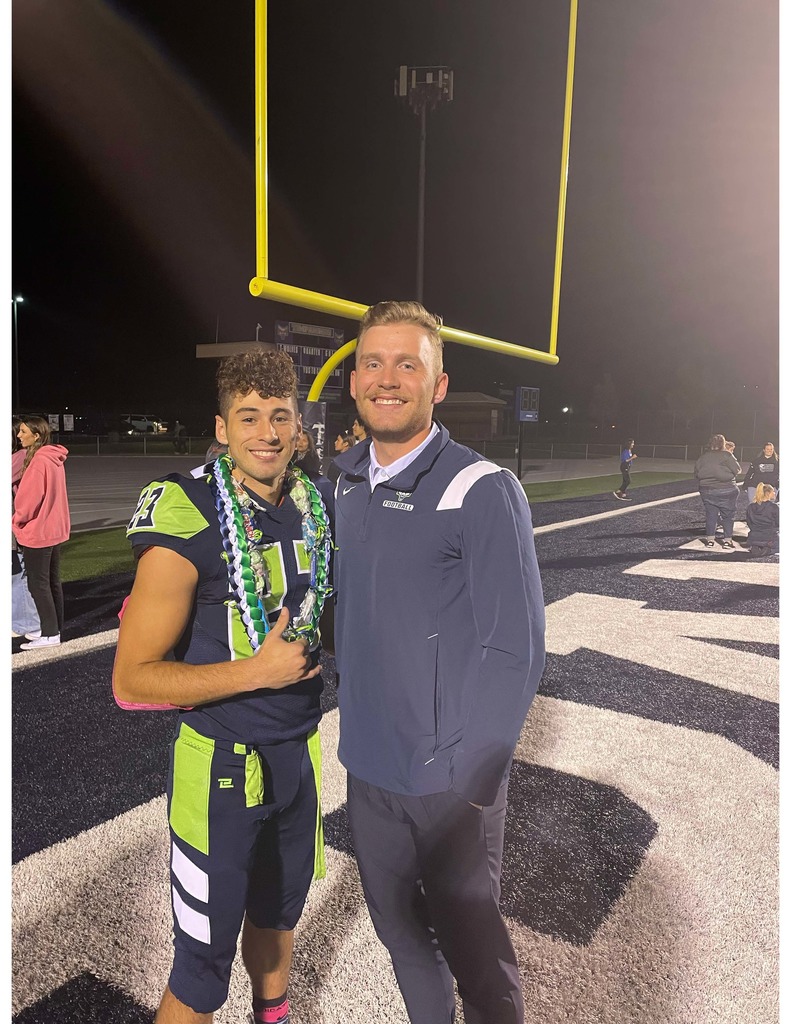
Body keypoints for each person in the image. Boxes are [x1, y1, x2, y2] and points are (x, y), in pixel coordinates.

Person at [332, 300, 546, 1024]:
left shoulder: (479, 487)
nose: (386, 379)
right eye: (372, 362)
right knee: (399, 935)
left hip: (448, 781)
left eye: (406, 365)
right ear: (354, 378)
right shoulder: (344, 479)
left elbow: (514, 645)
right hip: (368, 764)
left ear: (437, 384)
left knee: (476, 957)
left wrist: (474, 780)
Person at [114, 349, 333, 1024]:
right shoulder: (187, 507)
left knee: (276, 921)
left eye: (279, 416)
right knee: (201, 966)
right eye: (249, 417)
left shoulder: (312, 501)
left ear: (299, 424)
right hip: (220, 769)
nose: (266, 432)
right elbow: (132, 681)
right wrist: (256, 672)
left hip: (297, 755)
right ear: (221, 425)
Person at [12, 416, 70, 649]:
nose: (19, 435)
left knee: (38, 584)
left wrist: (15, 521)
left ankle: (50, 634)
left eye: (23, 431)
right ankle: (54, 629)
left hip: (39, 530)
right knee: (52, 582)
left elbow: (28, 501)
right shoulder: (53, 458)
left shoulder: (37, 461)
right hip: (54, 529)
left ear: (36, 436)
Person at [12, 420, 40, 639]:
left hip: (16, 524)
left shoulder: (20, 457)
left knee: (18, 573)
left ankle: (27, 623)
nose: (21, 435)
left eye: (23, 431)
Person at [693, 433, 741, 548]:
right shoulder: (727, 455)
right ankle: (727, 540)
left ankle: (710, 540)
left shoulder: (703, 457)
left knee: (711, 515)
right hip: (726, 489)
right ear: (723, 444)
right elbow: (738, 470)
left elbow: (696, 473)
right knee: (728, 516)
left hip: (707, 490)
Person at [746, 482, 779, 557]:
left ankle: (756, 547)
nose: (774, 493)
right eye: (773, 491)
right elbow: (778, 523)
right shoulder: (774, 507)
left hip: (753, 537)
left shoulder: (750, 507)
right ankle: (768, 549)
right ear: (767, 493)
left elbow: (749, 522)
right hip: (769, 537)